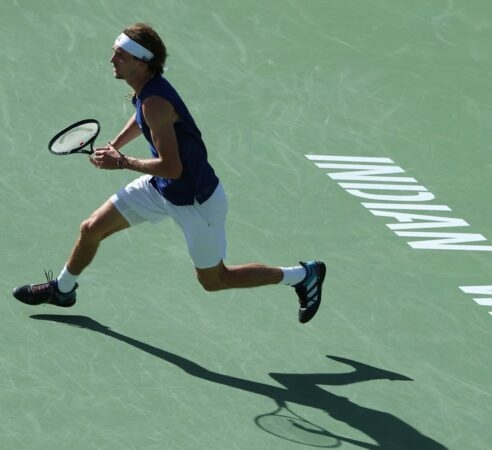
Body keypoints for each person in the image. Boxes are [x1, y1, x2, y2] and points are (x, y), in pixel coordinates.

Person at [12, 23, 325, 324]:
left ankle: (302, 275)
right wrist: (114, 145)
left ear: (142, 62)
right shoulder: (146, 93)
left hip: (196, 203)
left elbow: (172, 168)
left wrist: (120, 162)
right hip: (160, 189)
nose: (112, 59)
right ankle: (63, 290)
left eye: (120, 54)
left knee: (215, 280)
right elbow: (142, 121)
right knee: (92, 228)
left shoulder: (156, 103)